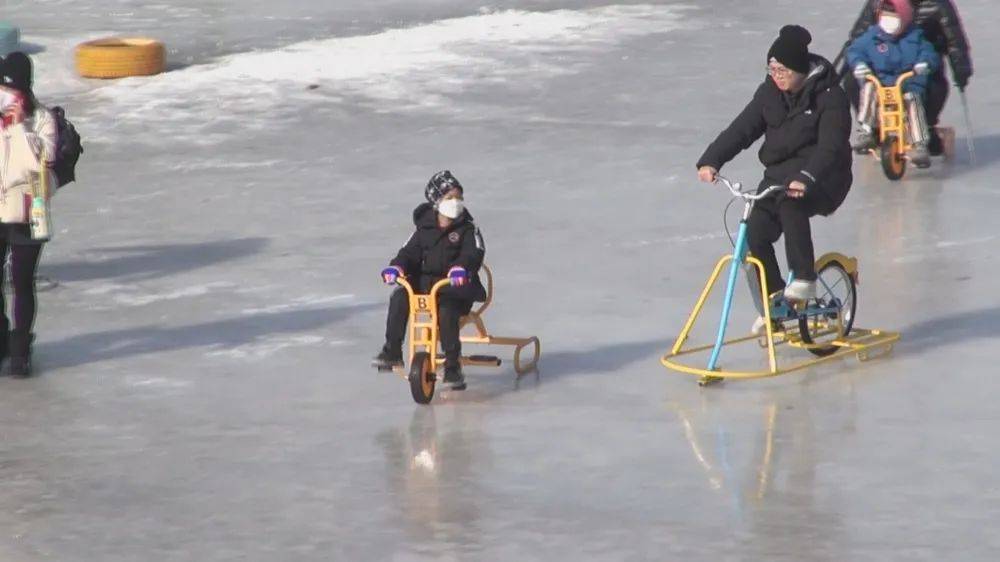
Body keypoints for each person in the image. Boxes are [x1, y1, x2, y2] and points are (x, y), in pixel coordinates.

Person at [695, 25, 853, 334]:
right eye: (772, 68)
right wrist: (711, 159)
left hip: (825, 177)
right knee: (755, 230)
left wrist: (807, 177)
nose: (776, 75)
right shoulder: (770, 93)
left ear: (798, 68)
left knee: (791, 206)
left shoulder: (830, 95)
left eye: (782, 70)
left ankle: (805, 278)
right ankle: (776, 303)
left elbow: (831, 146)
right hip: (779, 178)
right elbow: (742, 128)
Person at [372, 171, 486, 388]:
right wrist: (396, 267)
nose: (456, 203)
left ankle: (452, 366)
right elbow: (408, 253)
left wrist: (461, 269)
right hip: (426, 285)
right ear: (436, 201)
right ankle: (392, 350)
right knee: (400, 297)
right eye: (449, 198)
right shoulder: (424, 228)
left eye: (459, 198)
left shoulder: (467, 229)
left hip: (455, 288)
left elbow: (475, 253)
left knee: (447, 311)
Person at [845, 0, 972, 155]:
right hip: (882, 67)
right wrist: (856, 63)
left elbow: (954, 39)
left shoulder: (938, 6)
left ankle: (924, 129)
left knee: (929, 90)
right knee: (855, 83)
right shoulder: (882, 3)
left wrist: (960, 67)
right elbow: (859, 39)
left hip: (918, 68)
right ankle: (873, 128)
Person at [0, 52, 57, 377]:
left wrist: (19, 126)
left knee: (22, 281)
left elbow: (36, 164)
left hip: (30, 208)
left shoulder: (43, 120)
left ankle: (21, 348)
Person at [847, 0, 940, 167]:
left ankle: (919, 144)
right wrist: (859, 64)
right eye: (885, 17)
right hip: (882, 83)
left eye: (894, 17)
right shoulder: (873, 36)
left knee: (912, 101)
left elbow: (930, 54)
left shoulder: (915, 37)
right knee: (869, 87)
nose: (889, 22)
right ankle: (866, 131)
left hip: (907, 83)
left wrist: (924, 64)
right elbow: (855, 50)